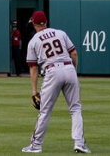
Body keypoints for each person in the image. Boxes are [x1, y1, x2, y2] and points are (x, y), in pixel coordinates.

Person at [21, 11, 90, 154]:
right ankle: (79, 144)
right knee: (75, 109)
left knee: (45, 111)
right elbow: (74, 53)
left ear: (34, 24)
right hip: (69, 67)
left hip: (52, 71)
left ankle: (36, 145)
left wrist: (34, 90)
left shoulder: (34, 40)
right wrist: (73, 72)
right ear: (46, 22)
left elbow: (33, 67)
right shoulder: (60, 33)